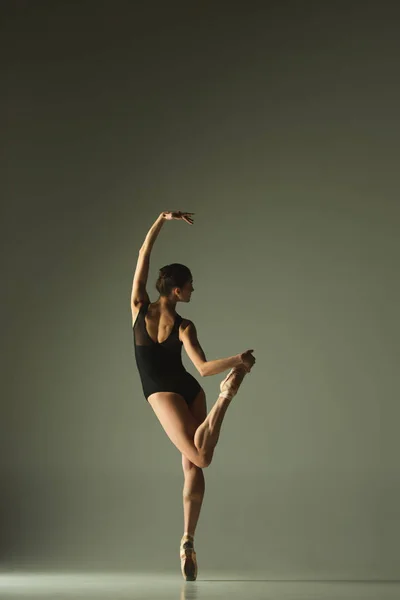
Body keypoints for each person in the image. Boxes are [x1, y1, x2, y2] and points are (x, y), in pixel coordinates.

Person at [131, 210, 256, 581]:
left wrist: (159, 220)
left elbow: (142, 254)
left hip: (168, 390)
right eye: (190, 286)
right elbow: (201, 369)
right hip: (176, 390)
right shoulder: (183, 324)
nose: (193, 290)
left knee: (195, 463)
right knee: (200, 457)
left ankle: (188, 541)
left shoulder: (139, 307)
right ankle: (226, 396)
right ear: (176, 290)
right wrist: (238, 360)